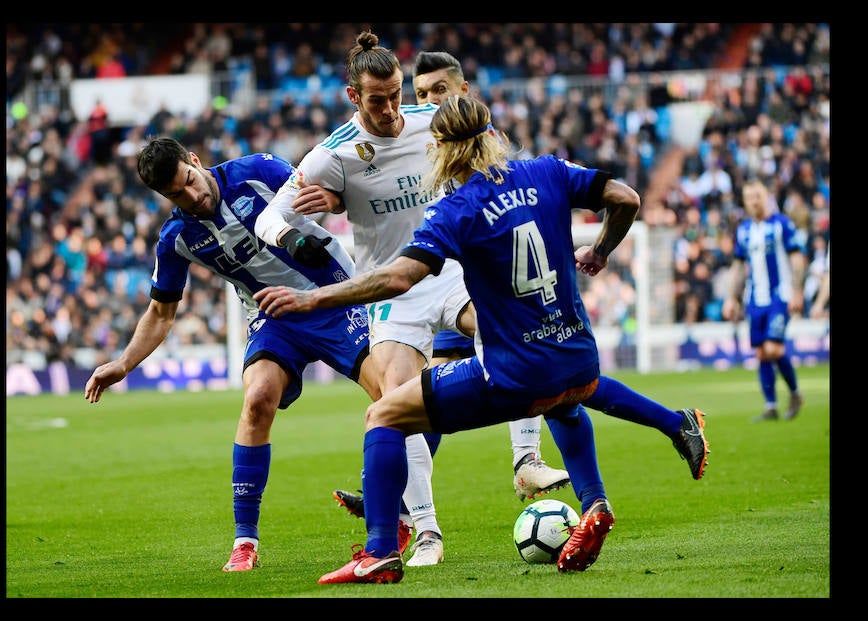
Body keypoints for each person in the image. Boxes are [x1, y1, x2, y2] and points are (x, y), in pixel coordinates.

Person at [254, 95, 709, 583]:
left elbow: (398, 279)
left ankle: (381, 550)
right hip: (577, 355)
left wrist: (312, 300)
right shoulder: (549, 171)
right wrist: (599, 251)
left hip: (512, 374)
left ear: (443, 151)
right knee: (569, 398)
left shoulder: (457, 209)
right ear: (492, 137)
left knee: (384, 414)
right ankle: (625, 470)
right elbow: (626, 198)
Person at [254, 32, 562, 568]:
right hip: (390, 291)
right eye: (378, 99)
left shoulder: (429, 120)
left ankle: (526, 459)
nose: (393, 108)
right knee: (396, 403)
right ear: (354, 97)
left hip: (449, 270)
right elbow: (268, 217)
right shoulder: (335, 154)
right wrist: (298, 236)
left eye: (397, 93)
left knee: (508, 326)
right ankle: (426, 533)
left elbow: (488, 146)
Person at [83, 136, 389, 574]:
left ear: (195, 159)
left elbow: (327, 196)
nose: (191, 196)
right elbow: (161, 312)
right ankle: (245, 541)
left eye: (189, 180)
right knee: (257, 398)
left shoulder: (257, 171)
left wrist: (333, 200)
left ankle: (390, 508)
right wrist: (123, 362)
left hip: (331, 297)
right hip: (273, 316)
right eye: (175, 194)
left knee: (391, 397)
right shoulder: (176, 238)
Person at [331, 50, 569, 531]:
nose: (428, 101)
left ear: (463, 91)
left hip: (463, 280)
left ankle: (529, 461)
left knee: (529, 356)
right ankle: (406, 505)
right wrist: (339, 194)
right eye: (420, 94)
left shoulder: (486, 145)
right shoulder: (421, 137)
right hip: (428, 285)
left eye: (438, 91)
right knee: (421, 400)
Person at [722, 177, 807, 421]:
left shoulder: (782, 224)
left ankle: (795, 392)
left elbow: (796, 259)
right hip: (754, 300)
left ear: (766, 196)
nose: (753, 202)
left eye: (757, 196)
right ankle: (771, 406)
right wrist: (731, 298)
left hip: (779, 297)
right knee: (761, 353)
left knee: (773, 348)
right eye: (749, 198)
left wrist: (797, 291)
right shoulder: (745, 230)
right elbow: (738, 267)